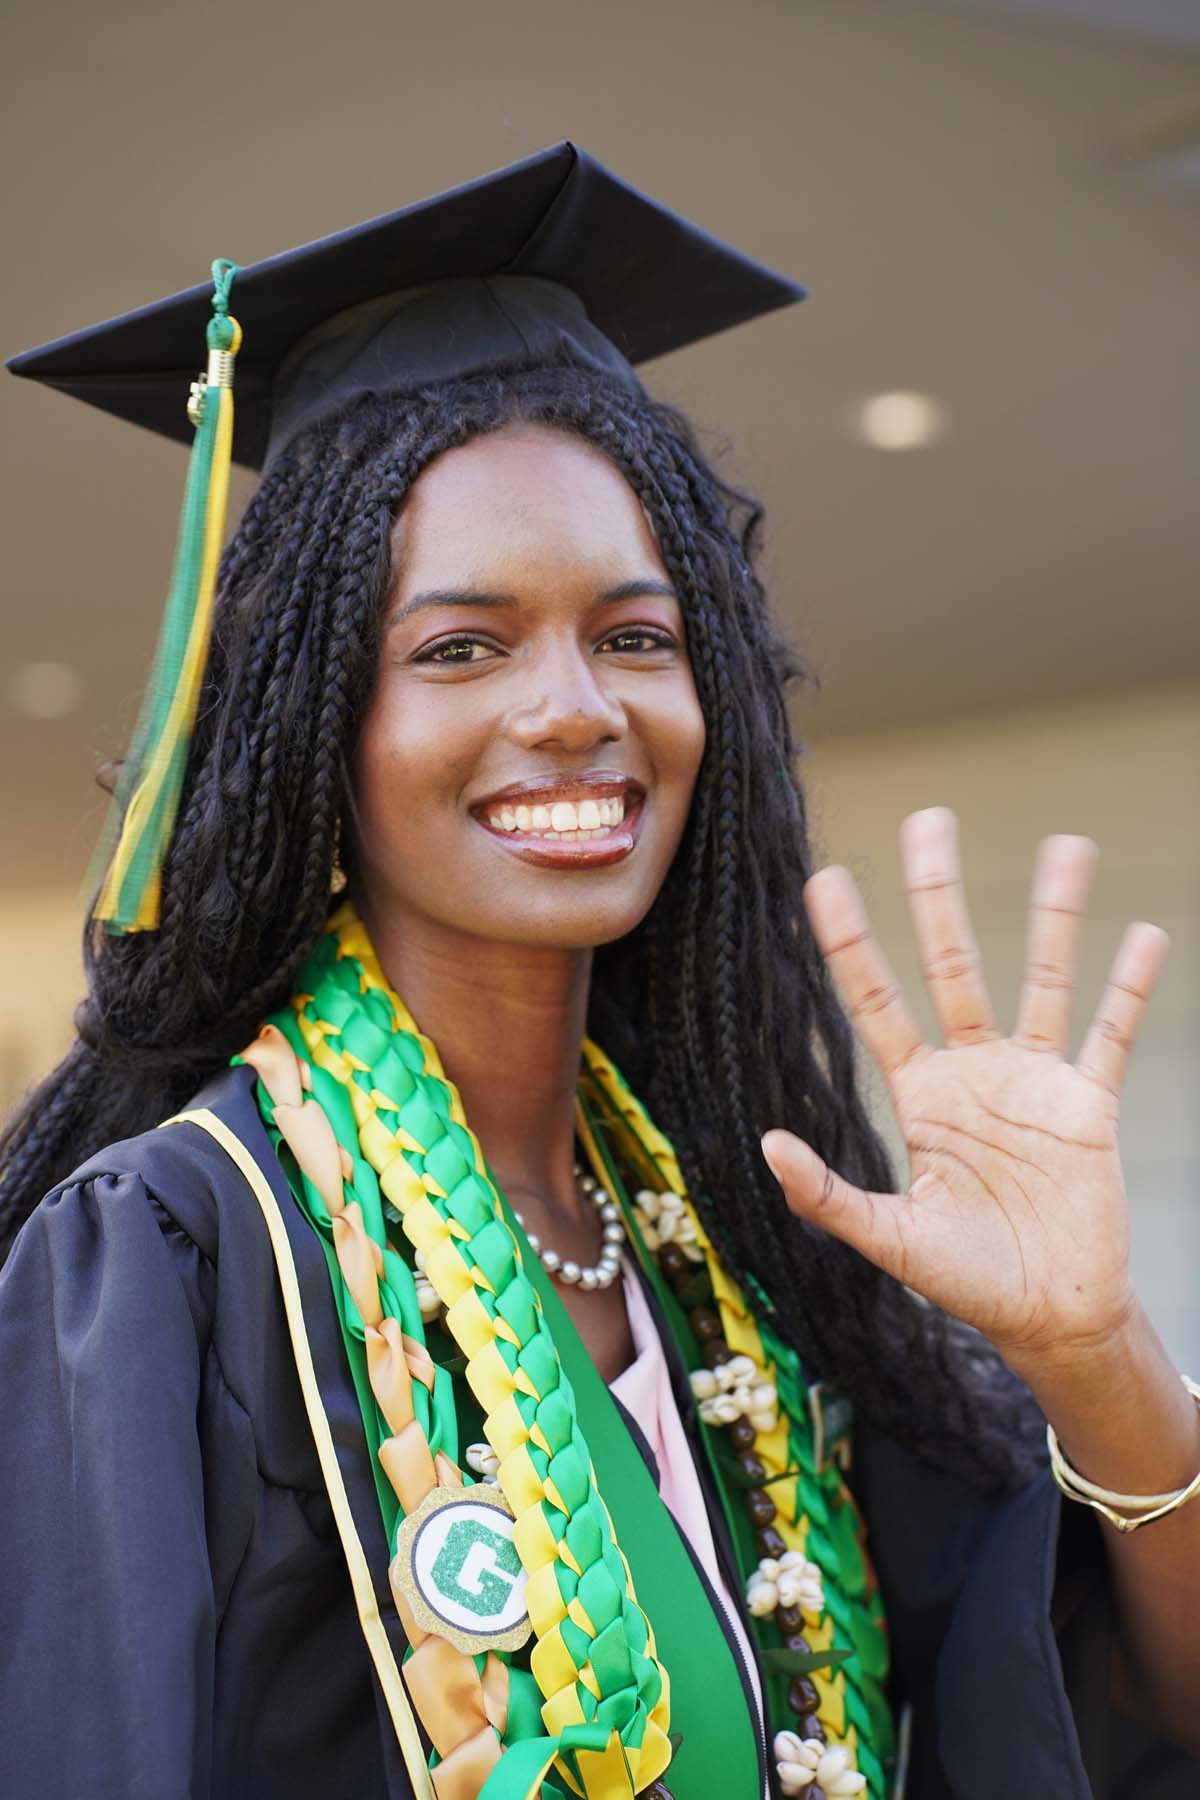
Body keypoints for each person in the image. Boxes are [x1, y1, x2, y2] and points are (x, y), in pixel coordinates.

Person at [0, 142, 1196, 1800]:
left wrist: (1092, 1354)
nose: (575, 708)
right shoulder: (184, 1258)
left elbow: (1129, 1704)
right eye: (460, 647)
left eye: (638, 636)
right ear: (311, 735)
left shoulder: (751, 1243)